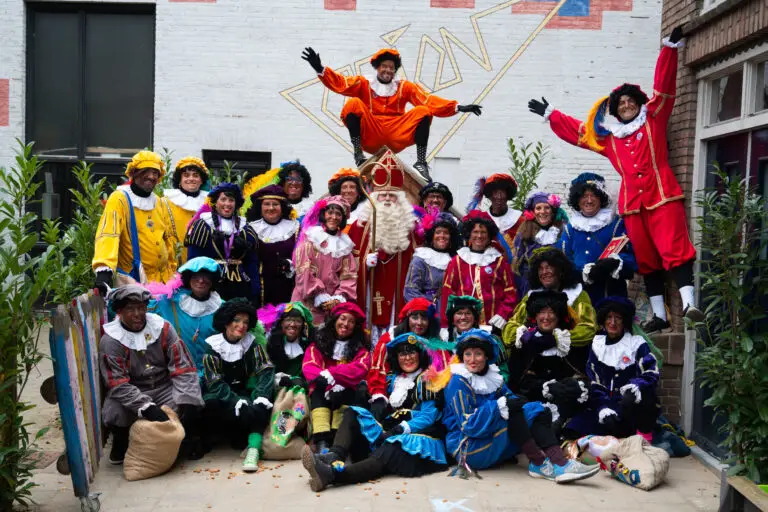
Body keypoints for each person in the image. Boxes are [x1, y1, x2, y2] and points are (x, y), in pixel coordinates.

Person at [528, 25, 704, 332]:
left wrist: (669, 50)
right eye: (620, 104)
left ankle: (689, 304)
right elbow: (582, 133)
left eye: (630, 101)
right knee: (646, 258)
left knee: (674, 247)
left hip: (662, 194)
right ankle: (660, 315)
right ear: (616, 111)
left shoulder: (654, 119)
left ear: (638, 103)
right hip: (633, 205)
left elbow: (664, 90)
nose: (626, 106)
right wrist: (553, 115)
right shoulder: (611, 140)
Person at [442, 328, 599, 482]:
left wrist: (515, 402)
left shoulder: (492, 377)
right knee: (517, 411)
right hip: (468, 447)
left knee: (537, 410)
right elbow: (468, 424)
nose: (472, 359)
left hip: (488, 438)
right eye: (467, 354)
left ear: (486, 356)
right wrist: (498, 407)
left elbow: (509, 397)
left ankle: (555, 462)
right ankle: (547, 463)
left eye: (478, 354)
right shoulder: (459, 381)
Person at [302, 46, 482, 179]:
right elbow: (342, 84)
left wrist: (457, 107)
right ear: (377, 67)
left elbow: (428, 100)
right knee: (353, 104)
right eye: (384, 66)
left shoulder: (404, 87)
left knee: (423, 111)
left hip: (397, 133)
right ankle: (358, 153)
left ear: (395, 70)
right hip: (371, 133)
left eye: (391, 67)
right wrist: (320, 69)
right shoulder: (364, 83)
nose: (388, 70)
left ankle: (421, 162)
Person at [300, 333, 447, 491]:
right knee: (353, 413)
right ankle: (333, 455)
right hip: (390, 430)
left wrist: (401, 428)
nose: (407, 358)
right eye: (402, 354)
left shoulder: (427, 380)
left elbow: (428, 416)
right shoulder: (393, 379)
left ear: (420, 355)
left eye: (412, 352)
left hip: (419, 438)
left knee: (390, 449)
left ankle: (331, 475)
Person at [99, 285, 204, 465]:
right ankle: (121, 440)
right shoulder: (111, 341)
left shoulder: (162, 328)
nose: (137, 314)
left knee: (187, 399)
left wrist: (188, 400)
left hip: (164, 386)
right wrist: (146, 406)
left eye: (141, 308)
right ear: (119, 311)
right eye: (130, 309)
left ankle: (185, 439)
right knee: (115, 411)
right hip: (132, 389)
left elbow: (182, 366)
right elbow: (117, 383)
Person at [565, 297, 660, 441]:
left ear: (625, 321)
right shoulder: (597, 345)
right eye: (609, 317)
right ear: (603, 320)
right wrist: (603, 408)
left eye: (618, 318)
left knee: (637, 413)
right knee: (573, 429)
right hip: (605, 404)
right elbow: (595, 382)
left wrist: (634, 387)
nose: (613, 323)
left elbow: (651, 372)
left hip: (629, 404)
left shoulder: (636, 343)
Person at [201, 299, 275, 471]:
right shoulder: (213, 345)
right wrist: (235, 400)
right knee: (210, 405)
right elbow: (214, 381)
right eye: (236, 320)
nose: (241, 326)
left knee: (260, 407)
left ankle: (253, 450)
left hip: (244, 391)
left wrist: (262, 395)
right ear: (226, 321)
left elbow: (265, 369)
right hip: (221, 394)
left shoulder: (251, 343)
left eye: (246, 322)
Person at [347, 164, 419, 339]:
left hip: (397, 288)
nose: (387, 199)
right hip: (370, 286)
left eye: (392, 195)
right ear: (375, 197)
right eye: (383, 195)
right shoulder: (360, 225)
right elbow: (347, 262)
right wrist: (363, 262)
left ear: (400, 199)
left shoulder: (411, 227)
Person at [93, 151, 177, 291]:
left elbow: (167, 240)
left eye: (155, 172)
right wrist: (104, 271)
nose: (151, 176)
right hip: (134, 281)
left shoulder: (158, 202)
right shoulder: (119, 199)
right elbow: (108, 234)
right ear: (134, 173)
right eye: (146, 171)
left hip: (163, 284)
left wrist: (173, 271)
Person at [503, 247, 597, 371]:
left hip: (567, 362)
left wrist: (558, 339)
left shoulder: (578, 295)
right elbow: (510, 327)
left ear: (561, 270)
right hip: (534, 363)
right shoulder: (531, 296)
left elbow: (589, 328)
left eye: (549, 267)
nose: (544, 272)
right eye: (540, 269)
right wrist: (525, 336)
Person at [508, 290, 589, 430]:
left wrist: (570, 386)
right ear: (535, 315)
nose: (546, 317)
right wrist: (544, 386)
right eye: (541, 312)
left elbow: (580, 374)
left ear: (558, 316)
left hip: (564, 403)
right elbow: (518, 381)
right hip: (533, 403)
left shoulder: (566, 342)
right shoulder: (525, 342)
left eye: (551, 312)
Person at [367, 298, 456, 420]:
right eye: (415, 317)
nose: (419, 323)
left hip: (423, 397)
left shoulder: (437, 345)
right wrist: (380, 396)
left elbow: (444, 373)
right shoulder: (391, 338)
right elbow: (378, 368)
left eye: (424, 318)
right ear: (407, 318)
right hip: (392, 390)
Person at [302, 303, 371, 453]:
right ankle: (321, 442)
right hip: (323, 388)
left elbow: (360, 368)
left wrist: (334, 375)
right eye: (343, 318)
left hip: (348, 390)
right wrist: (326, 381)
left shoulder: (361, 349)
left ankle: (337, 441)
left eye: (351, 321)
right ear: (335, 320)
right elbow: (309, 365)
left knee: (346, 396)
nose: (346, 324)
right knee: (319, 392)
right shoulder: (319, 343)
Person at [559, 172, 637, 304]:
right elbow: (562, 262)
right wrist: (582, 273)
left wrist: (613, 263)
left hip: (611, 294)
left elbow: (631, 257)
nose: (589, 200)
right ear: (577, 199)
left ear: (601, 198)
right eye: (584, 196)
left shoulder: (616, 224)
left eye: (594, 195)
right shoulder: (570, 228)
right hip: (579, 297)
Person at [441, 210, 517, 332]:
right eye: (475, 232)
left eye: (483, 232)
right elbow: (448, 293)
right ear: (469, 234)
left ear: (489, 235)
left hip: (493, 325)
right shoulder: (457, 261)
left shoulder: (499, 262)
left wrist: (503, 314)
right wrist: (447, 324)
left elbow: (510, 292)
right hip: (463, 326)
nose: (479, 236)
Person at [185, 183, 261, 303]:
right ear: (215, 202)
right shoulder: (203, 225)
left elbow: (252, 262)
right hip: (211, 284)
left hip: (240, 285)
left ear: (236, 204)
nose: (227, 204)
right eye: (223, 199)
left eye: (231, 200)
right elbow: (194, 260)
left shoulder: (245, 228)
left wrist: (254, 288)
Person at [290, 196, 358, 325]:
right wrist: (319, 295)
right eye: (330, 212)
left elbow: (349, 276)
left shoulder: (345, 246)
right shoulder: (311, 240)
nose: (334, 217)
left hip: (332, 307)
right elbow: (303, 272)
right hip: (307, 300)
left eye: (338, 214)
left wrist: (338, 298)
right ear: (323, 214)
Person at [149, 257, 223, 371]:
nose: (201, 280)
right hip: (178, 371)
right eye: (196, 276)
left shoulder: (222, 307)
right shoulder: (169, 302)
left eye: (206, 276)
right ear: (188, 278)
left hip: (211, 372)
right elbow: (141, 309)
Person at [246, 185, 299, 306]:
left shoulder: (295, 227)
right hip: (260, 288)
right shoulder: (251, 228)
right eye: (266, 204)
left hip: (289, 286)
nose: (271, 208)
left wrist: (290, 264)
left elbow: (301, 257)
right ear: (260, 207)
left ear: (282, 207)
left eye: (275, 204)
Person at [404, 210, 461, 314]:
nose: (442, 236)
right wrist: (430, 308)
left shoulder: (456, 260)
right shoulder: (421, 258)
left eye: (446, 233)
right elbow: (410, 291)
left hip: (451, 312)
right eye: (438, 232)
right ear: (432, 236)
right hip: (427, 313)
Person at [512, 191, 567, 294]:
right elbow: (517, 266)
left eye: (547, 208)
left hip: (558, 285)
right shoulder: (524, 232)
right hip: (531, 286)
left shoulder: (563, 231)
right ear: (533, 212)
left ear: (553, 211)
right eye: (538, 208)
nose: (543, 212)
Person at [161, 157, 209, 264]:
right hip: (172, 264)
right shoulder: (165, 203)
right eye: (186, 175)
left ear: (201, 180)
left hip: (203, 264)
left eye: (195, 175)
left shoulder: (210, 203)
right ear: (179, 180)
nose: (191, 179)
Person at [467, 173, 523, 262]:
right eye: (495, 192)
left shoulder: (519, 220)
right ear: (490, 195)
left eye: (502, 192)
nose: (499, 197)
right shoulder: (482, 220)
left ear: (508, 195)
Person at [264, 302, 315, 390]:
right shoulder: (270, 344)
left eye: (298, 321)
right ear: (281, 323)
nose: (293, 324)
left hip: (299, 388)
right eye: (288, 320)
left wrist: (297, 381)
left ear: (303, 325)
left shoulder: (308, 345)